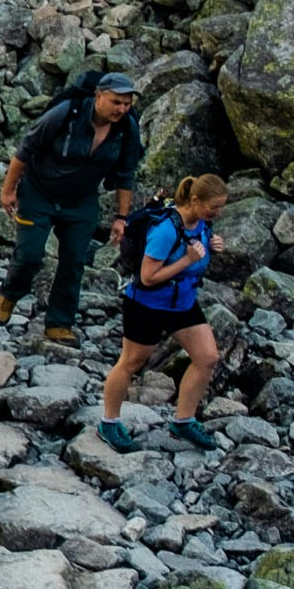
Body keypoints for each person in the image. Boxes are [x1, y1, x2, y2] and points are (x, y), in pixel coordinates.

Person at [0, 72, 144, 346]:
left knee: (74, 259)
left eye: (127, 103)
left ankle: (59, 323)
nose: (121, 109)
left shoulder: (127, 128)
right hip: (38, 192)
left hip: (81, 200)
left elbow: (125, 174)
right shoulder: (66, 113)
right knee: (30, 254)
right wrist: (8, 190)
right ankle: (10, 294)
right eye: (116, 102)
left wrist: (121, 217)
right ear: (98, 96)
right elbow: (25, 151)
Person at [100, 172, 230, 453]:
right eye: (214, 207)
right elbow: (147, 277)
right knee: (131, 363)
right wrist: (187, 259)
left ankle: (183, 421)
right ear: (195, 200)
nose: (217, 213)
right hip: (146, 305)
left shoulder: (201, 223)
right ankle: (108, 422)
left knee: (207, 358)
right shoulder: (166, 230)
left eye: (221, 207)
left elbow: (197, 250)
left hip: (181, 302)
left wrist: (211, 248)